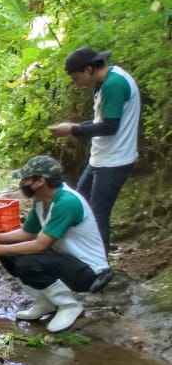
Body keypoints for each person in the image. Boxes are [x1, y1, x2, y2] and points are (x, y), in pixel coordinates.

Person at [0, 156, 112, 333]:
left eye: (25, 179)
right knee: (8, 254)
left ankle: (69, 306)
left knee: (28, 264)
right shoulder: (41, 201)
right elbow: (26, 233)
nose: (22, 183)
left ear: (40, 181)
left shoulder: (66, 202)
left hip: (88, 271)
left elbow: (41, 245)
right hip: (65, 261)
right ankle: (46, 301)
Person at [49, 47, 140, 253]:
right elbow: (103, 120)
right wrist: (76, 125)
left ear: (89, 69)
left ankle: (100, 265)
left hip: (114, 161)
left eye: (77, 78)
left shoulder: (113, 85)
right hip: (101, 158)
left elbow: (109, 127)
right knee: (81, 200)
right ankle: (82, 251)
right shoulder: (105, 83)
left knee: (98, 213)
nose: (77, 84)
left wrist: (72, 129)